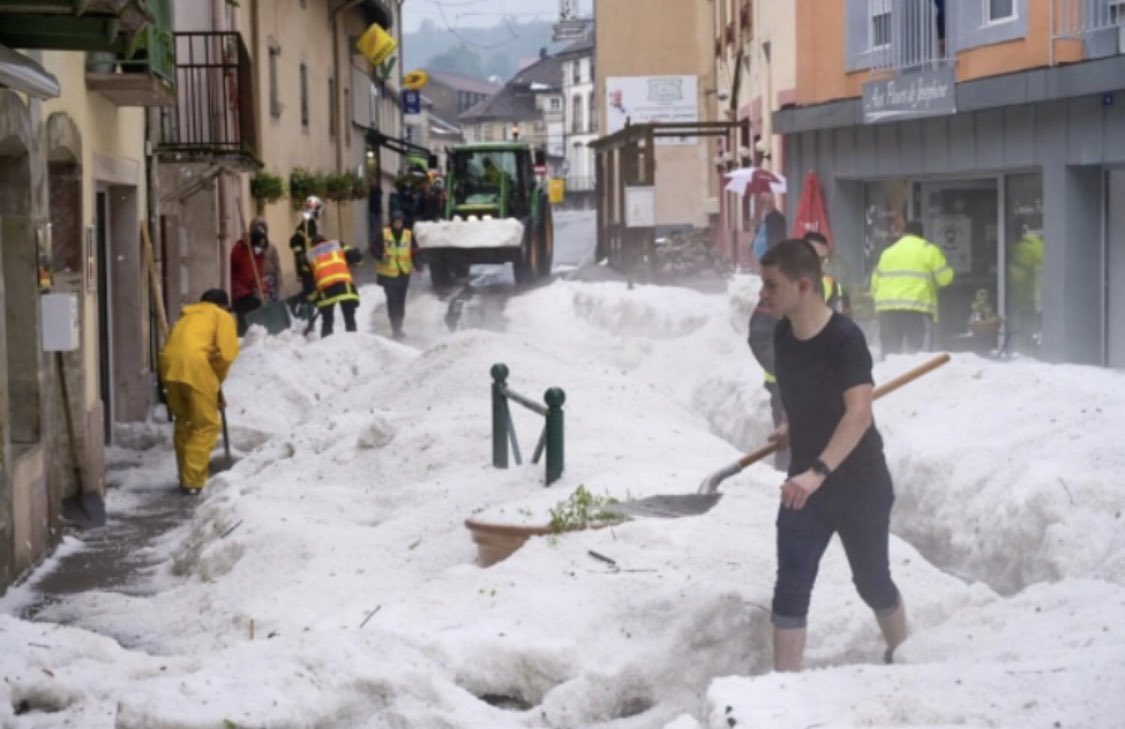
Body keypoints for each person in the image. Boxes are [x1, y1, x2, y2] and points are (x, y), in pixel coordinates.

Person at [756, 238, 907, 673]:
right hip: (806, 486)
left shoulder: (845, 339)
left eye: (771, 285)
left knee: (872, 581)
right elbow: (802, 394)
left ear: (803, 286)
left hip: (858, 482)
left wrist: (816, 472)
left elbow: (858, 415)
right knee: (791, 584)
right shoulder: (783, 332)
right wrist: (791, 426)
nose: (763, 294)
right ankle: (783, 689)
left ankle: (905, 654)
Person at [158, 289, 240, 495]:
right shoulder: (222, 317)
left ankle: (185, 474)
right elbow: (227, 354)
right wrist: (216, 381)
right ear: (223, 306)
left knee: (183, 420)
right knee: (206, 425)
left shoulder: (187, 316)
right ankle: (194, 481)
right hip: (194, 367)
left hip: (168, 367)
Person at [870, 220, 953, 355]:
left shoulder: (888, 252)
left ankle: (891, 376)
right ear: (921, 234)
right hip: (916, 309)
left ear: (904, 233)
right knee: (918, 356)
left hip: (887, 311)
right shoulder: (929, 250)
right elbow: (945, 279)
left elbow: (874, 287)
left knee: (891, 356)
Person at [307, 233, 362, 337]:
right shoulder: (336, 245)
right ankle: (353, 344)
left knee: (327, 322)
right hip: (345, 287)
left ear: (312, 245)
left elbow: (310, 280)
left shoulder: (310, 255)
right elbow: (356, 257)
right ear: (325, 240)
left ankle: (327, 346)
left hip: (325, 291)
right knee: (350, 320)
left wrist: (314, 298)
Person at [374, 210, 416, 339]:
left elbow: (415, 250)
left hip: (403, 274)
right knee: (392, 301)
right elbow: (373, 248)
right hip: (388, 275)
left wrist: (419, 264)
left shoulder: (408, 234)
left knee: (400, 302)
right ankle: (395, 329)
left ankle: (399, 327)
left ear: (403, 222)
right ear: (392, 222)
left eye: (400, 221)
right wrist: (381, 256)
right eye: (396, 221)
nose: (398, 224)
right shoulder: (384, 233)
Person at [230, 217, 274, 335]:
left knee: (258, 304)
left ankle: (255, 335)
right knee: (249, 309)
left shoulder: (260, 255)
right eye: (259, 243)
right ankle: (244, 337)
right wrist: (244, 244)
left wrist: (262, 287)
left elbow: (256, 275)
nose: (261, 246)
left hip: (249, 291)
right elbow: (237, 261)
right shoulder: (241, 249)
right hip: (239, 292)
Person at [289, 196, 325, 321]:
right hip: (306, 265)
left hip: (310, 263)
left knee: (312, 291)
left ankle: (307, 313)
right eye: (319, 209)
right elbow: (294, 242)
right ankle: (296, 304)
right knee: (311, 291)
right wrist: (300, 255)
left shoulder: (311, 224)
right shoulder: (305, 225)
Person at [804, 231, 852, 316]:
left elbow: (846, 325)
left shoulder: (837, 290)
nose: (819, 265)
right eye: (814, 258)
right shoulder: (784, 289)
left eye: (824, 260)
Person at [752, 191, 787, 261]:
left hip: (771, 254)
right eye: (761, 203)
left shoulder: (778, 217)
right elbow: (760, 232)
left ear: (771, 204)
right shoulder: (765, 217)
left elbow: (778, 236)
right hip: (762, 255)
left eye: (764, 203)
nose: (762, 206)